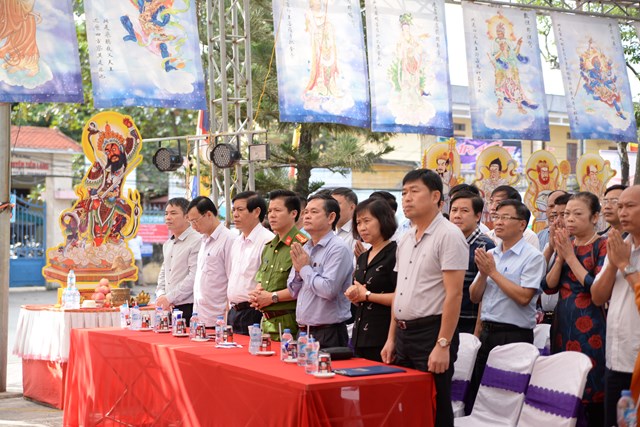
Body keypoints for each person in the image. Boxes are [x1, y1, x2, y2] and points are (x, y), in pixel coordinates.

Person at [381, 169, 468, 427]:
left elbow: (454, 294)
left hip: (432, 333)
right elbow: (401, 291)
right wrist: (391, 338)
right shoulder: (405, 238)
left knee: (435, 407)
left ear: (435, 196)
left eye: (414, 191)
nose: (406, 198)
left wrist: (443, 344)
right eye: (404, 192)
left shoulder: (449, 235)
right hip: (403, 334)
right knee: (405, 407)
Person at [468, 200, 545, 406]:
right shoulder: (491, 254)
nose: (498, 222)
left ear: (522, 224)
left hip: (513, 335)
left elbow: (524, 297)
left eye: (505, 217)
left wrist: (493, 272)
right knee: (479, 396)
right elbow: (474, 296)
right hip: (487, 333)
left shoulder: (533, 257)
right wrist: (484, 274)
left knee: (506, 399)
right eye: (497, 217)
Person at [544, 192, 607, 426]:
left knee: (590, 386)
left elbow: (595, 287)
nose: (569, 219)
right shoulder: (566, 244)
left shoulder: (602, 245)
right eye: (567, 214)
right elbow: (548, 286)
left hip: (590, 326)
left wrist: (570, 257)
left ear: (595, 217)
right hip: (562, 322)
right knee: (564, 386)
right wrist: (560, 256)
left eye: (577, 214)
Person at [592, 185, 640, 427]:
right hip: (615, 358)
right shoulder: (621, 245)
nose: (622, 212)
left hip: (637, 361)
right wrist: (613, 263)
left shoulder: (624, 255)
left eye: (630, 206)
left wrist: (625, 265)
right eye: (619, 206)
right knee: (616, 422)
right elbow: (598, 297)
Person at [287, 194, 353, 348]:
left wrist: (304, 268)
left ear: (331, 217)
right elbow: (292, 291)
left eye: (314, 212)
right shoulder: (305, 247)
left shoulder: (338, 248)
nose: (307, 216)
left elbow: (329, 290)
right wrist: (299, 274)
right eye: (306, 212)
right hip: (303, 331)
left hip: (328, 332)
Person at [344, 198, 398, 362]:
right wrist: (354, 295)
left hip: (384, 336)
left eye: (367, 221)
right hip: (360, 335)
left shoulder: (395, 253)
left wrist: (367, 295)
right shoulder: (363, 256)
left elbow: (401, 297)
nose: (362, 228)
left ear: (383, 220)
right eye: (358, 223)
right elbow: (360, 294)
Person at [249, 190, 306, 340]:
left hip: (289, 324)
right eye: (270, 211)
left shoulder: (301, 245)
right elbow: (261, 281)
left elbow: (303, 287)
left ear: (293, 213)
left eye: (277, 210)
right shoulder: (269, 247)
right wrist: (257, 295)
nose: (271, 215)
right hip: (266, 323)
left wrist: (271, 298)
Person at [227, 192, 274, 336]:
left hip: (253, 312)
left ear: (256, 212)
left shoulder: (267, 240)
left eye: (240, 210)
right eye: (233, 210)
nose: (235, 214)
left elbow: (267, 281)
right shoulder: (237, 241)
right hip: (233, 311)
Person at [449, 191, 496, 335]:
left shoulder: (485, 246)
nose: (457, 215)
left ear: (477, 216)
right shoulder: (447, 242)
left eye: (464, 211)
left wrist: (477, 333)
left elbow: (487, 294)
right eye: (454, 210)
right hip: (445, 318)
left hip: (469, 322)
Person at [186, 196, 235, 327]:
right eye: (191, 222)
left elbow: (232, 279)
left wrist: (227, 316)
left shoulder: (229, 239)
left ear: (208, 214)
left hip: (218, 318)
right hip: (200, 316)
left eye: (195, 221)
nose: (193, 227)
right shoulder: (204, 240)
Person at [155, 198, 201, 323]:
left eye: (173, 213)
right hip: (169, 307)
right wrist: (161, 296)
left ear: (187, 217)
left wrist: (169, 298)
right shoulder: (168, 244)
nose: (168, 217)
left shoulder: (197, 240)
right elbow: (163, 273)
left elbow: (194, 277)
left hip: (189, 307)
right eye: (166, 213)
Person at [486, 185, 540, 250]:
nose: (492, 207)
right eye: (491, 202)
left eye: (498, 203)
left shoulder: (528, 236)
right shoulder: (487, 236)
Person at [330, 187, 358, 253]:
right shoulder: (328, 231)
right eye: (330, 204)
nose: (332, 208)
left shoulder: (359, 233)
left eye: (337, 204)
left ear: (352, 207)